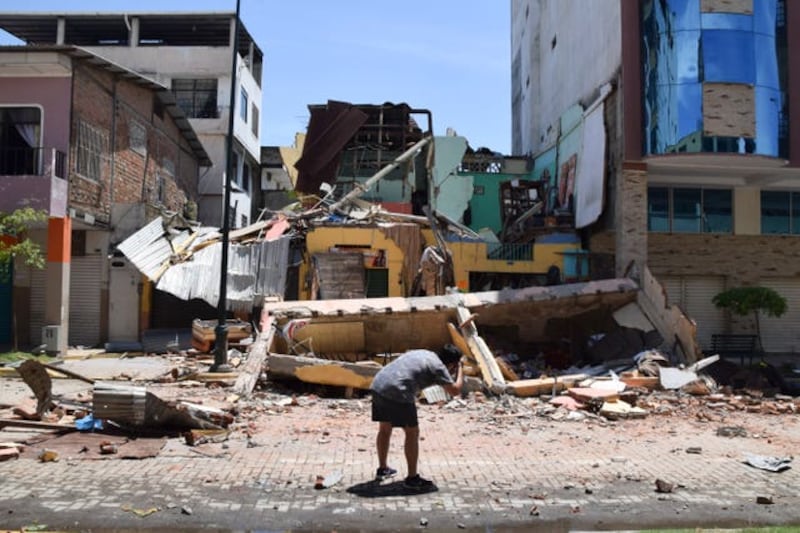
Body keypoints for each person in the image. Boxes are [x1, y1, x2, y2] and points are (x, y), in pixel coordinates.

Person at [369, 344, 464, 490]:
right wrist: (461, 370)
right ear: (452, 364)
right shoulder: (439, 368)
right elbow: (455, 390)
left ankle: (383, 469)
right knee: (412, 432)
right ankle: (412, 478)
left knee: (385, 428)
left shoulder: (425, 353)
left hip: (378, 385)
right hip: (398, 390)